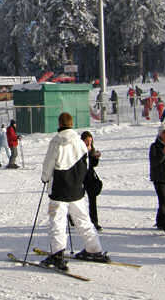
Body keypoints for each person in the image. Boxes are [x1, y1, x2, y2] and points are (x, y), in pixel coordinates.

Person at [39, 113, 110, 270]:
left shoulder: (57, 141)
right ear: (71, 124)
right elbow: (86, 164)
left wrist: (45, 178)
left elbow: (49, 163)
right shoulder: (80, 142)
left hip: (59, 189)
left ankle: (58, 254)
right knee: (83, 220)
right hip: (76, 189)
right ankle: (94, 249)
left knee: (58, 221)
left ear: (59, 123)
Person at [81, 131, 103, 231]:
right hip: (80, 177)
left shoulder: (91, 149)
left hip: (90, 178)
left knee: (92, 200)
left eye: (90, 141)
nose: (89, 143)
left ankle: (94, 221)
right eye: (86, 141)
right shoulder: (79, 149)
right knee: (77, 200)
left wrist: (95, 157)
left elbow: (93, 165)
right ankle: (72, 217)